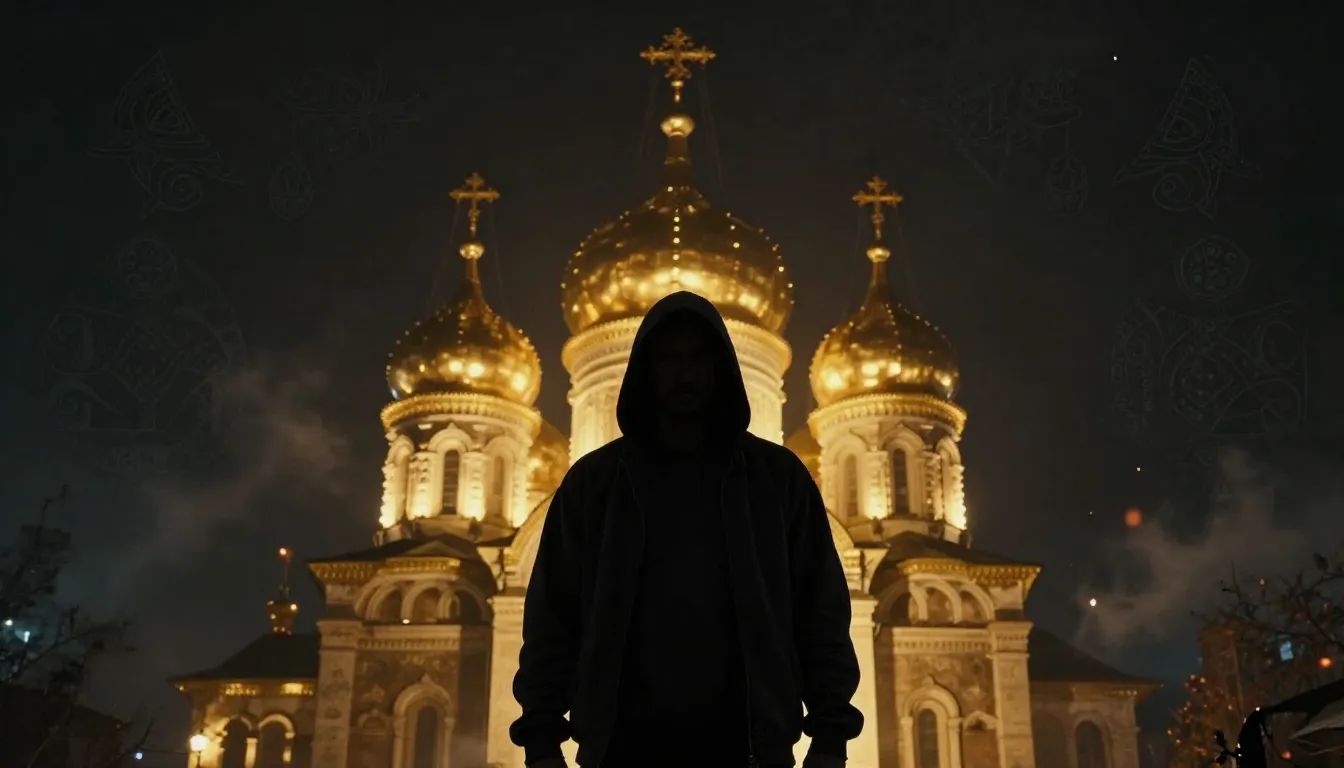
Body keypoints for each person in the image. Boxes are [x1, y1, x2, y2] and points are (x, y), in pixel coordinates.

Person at [510, 291, 863, 768]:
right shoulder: (595, 485)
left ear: (722, 369)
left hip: (747, 749)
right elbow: (553, 617)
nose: (684, 374)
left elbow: (819, 611)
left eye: (698, 359)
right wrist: (541, 740)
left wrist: (830, 737)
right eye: (669, 359)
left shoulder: (776, 481)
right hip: (622, 749)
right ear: (644, 370)